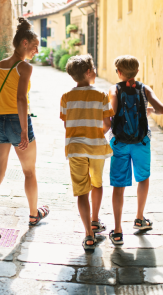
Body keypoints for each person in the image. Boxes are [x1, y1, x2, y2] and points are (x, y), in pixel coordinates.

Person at [0, 17, 50, 241]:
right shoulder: (25, 67)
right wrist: (21, 130)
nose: (36, 50)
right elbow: (21, 98)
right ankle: (33, 214)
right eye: (34, 46)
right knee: (29, 172)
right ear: (23, 43)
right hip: (18, 122)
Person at [107, 55, 163, 245]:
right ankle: (140, 218)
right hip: (141, 142)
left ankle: (117, 230)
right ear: (137, 71)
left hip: (120, 143)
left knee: (118, 185)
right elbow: (161, 109)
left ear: (119, 72)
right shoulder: (144, 88)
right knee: (143, 178)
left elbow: (112, 113)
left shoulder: (114, 89)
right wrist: (148, 110)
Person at [60, 54, 114, 251]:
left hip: (75, 149)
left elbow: (67, 123)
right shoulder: (101, 96)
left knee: (82, 191)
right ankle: (95, 219)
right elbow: (107, 124)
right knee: (97, 184)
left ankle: (88, 236)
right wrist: (95, 134)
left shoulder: (66, 97)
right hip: (97, 148)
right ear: (89, 72)